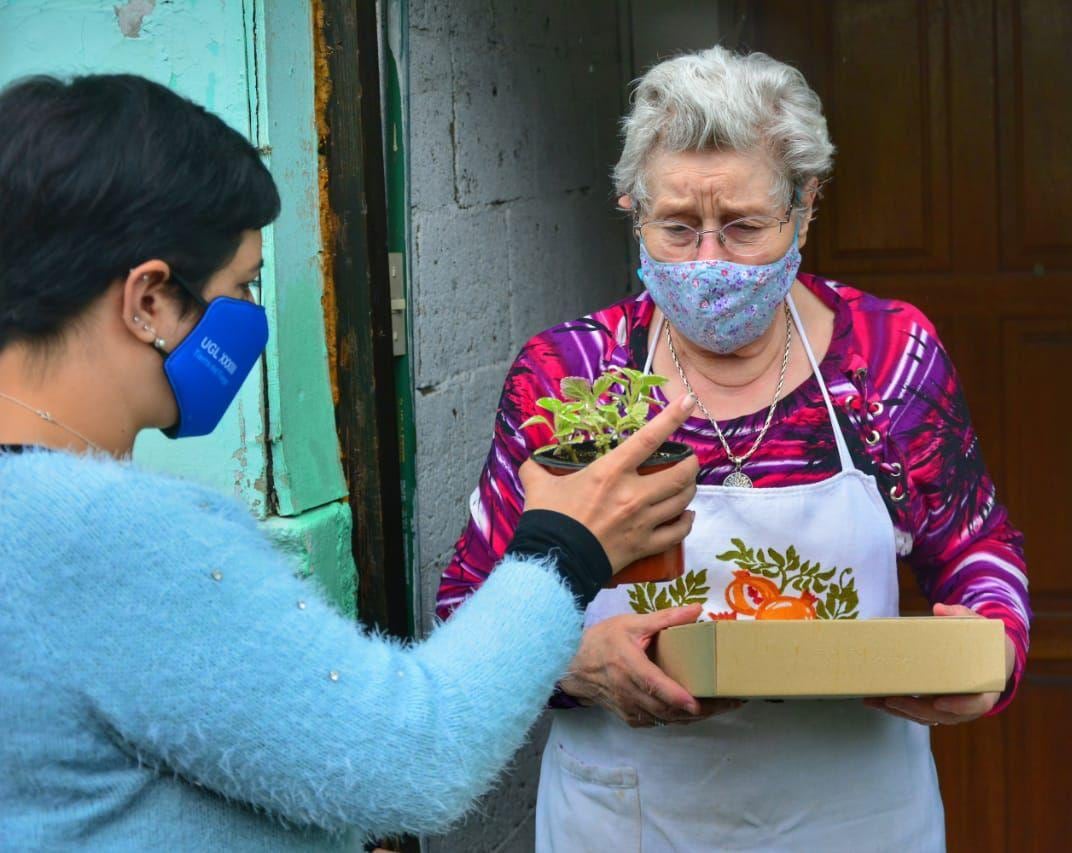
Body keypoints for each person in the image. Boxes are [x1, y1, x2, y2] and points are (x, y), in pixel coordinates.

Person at [0, 73, 698, 850]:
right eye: (240, 287)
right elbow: (413, 758)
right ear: (149, 301)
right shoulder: (108, 536)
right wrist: (565, 546)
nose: (250, 320)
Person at [438, 47, 1031, 851]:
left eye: (745, 226)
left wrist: (992, 646)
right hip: (631, 818)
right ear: (630, 206)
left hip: (856, 819)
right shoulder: (570, 377)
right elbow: (468, 603)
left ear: (807, 206)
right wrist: (573, 662)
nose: (709, 262)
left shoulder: (889, 359)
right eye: (677, 228)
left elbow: (977, 546)